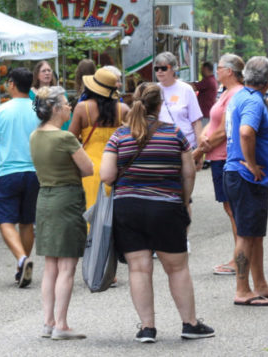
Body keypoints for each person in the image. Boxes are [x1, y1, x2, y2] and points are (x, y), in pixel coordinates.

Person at [100, 82, 215, 343]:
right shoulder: (174, 134)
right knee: (177, 268)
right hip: (166, 207)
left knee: (139, 269)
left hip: (127, 208)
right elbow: (188, 172)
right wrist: (184, 203)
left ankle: (147, 328)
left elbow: (106, 176)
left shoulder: (119, 136)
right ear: (160, 105)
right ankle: (190, 323)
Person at [225, 56, 268, 306]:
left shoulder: (239, 96)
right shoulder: (252, 101)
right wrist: (251, 163)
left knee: (254, 234)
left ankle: (260, 284)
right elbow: (245, 132)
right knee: (245, 234)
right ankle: (242, 289)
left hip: (243, 177)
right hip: (246, 177)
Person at [30, 86, 94, 340]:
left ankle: (48, 321)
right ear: (55, 109)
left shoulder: (35, 136)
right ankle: (62, 324)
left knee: (50, 266)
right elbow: (87, 168)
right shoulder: (65, 138)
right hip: (67, 199)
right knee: (67, 266)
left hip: (44, 198)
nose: (69, 107)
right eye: (66, 104)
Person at [0, 67, 40, 288]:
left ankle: (22, 259)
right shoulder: (38, 109)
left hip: (8, 172)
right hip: (34, 172)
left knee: (5, 221)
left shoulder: (0, 111)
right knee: (27, 222)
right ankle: (21, 268)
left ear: (12, 84)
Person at [191, 53, 243, 276]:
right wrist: (203, 137)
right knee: (230, 208)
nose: (216, 71)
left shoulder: (235, 94)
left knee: (234, 210)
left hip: (225, 157)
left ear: (229, 71)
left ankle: (239, 258)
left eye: (219, 68)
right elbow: (212, 123)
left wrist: (198, 150)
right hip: (216, 156)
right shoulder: (225, 93)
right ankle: (239, 255)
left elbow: (223, 130)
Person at [68, 68, 129, 211]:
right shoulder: (124, 109)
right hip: (119, 168)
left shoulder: (83, 108)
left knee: (93, 216)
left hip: (90, 170)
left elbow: (70, 139)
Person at [153, 51, 202, 148]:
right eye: (156, 68)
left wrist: (199, 150)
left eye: (163, 68)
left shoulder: (186, 89)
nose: (159, 71)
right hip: (159, 146)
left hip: (185, 146)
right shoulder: (152, 90)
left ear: (173, 69)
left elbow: (196, 121)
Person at [192, 62, 217, 129]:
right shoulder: (212, 79)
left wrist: (180, 83)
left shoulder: (208, 80)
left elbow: (194, 87)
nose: (201, 71)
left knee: (202, 133)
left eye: (202, 69)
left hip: (205, 114)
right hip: (207, 112)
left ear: (206, 69)